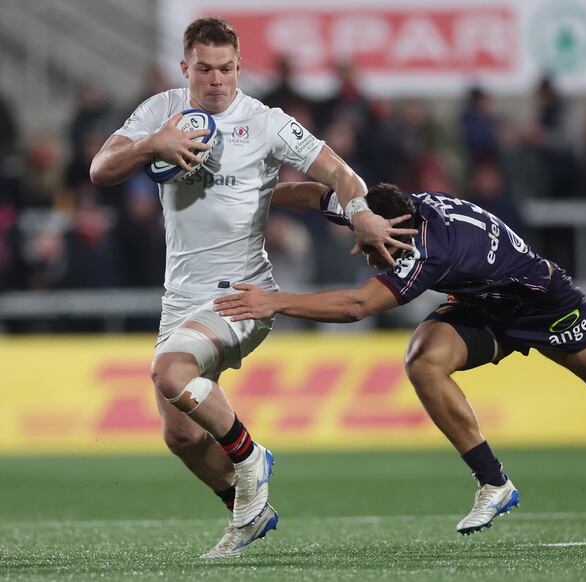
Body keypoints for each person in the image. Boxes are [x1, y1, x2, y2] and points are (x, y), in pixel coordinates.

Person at [214, 181, 586, 535]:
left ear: (397, 236)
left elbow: (360, 306)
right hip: (485, 303)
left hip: (542, 304)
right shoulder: (381, 211)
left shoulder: (425, 250)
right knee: (422, 360)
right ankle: (494, 482)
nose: (362, 249)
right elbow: (315, 194)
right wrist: (252, 196)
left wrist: (274, 301)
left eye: (368, 245)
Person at [89, 17, 415, 559]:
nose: (216, 80)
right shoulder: (158, 111)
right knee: (183, 437)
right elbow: (101, 169)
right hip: (181, 299)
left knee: (170, 372)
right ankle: (247, 511)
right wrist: (154, 142)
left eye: (226, 69)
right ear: (184, 68)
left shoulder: (266, 123)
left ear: (239, 67)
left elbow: (340, 172)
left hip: (241, 295)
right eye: (204, 69)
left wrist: (358, 212)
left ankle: (250, 458)